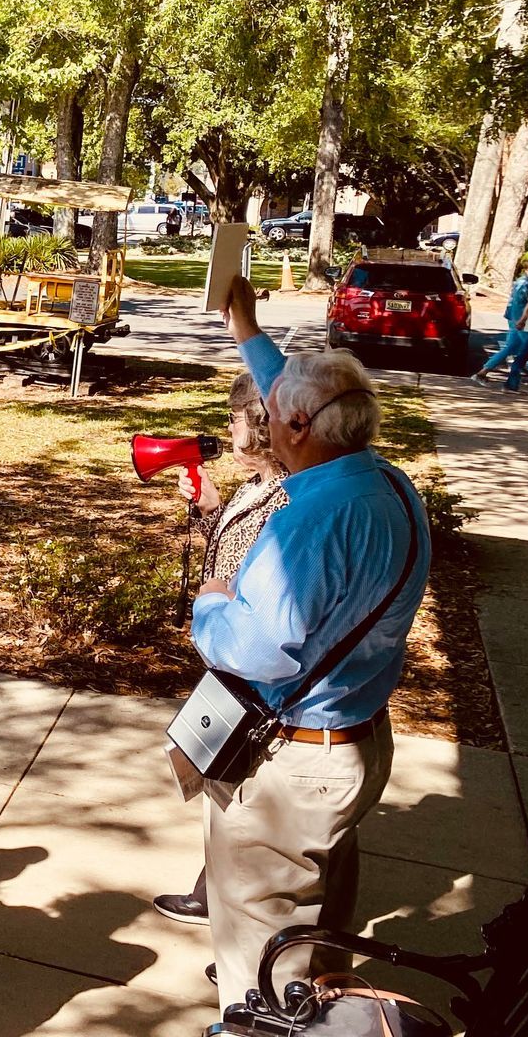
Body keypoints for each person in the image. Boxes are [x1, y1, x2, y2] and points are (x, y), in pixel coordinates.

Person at [195, 275, 432, 1012]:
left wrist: (211, 606)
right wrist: (245, 323)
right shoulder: (386, 484)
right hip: (356, 740)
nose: (263, 424)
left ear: (296, 427)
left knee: (257, 954)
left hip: (297, 763)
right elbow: (291, 391)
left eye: (271, 417)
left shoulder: (308, 523)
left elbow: (255, 650)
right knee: (315, 928)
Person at [151, 372, 291, 926]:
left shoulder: (284, 498)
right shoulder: (257, 487)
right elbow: (234, 553)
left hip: (249, 663)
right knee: (227, 784)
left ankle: (232, 909)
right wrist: (212, 511)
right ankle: (214, 891)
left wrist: (215, 601)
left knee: (240, 789)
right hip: (231, 655)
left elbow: (254, 578)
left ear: (258, 427)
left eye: (234, 419)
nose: (228, 429)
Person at [472, 256, 528, 390]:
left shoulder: (525, 282)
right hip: (522, 321)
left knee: (511, 348)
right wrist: (521, 320)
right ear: (526, 270)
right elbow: (520, 304)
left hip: (517, 320)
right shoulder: (524, 284)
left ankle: (483, 372)